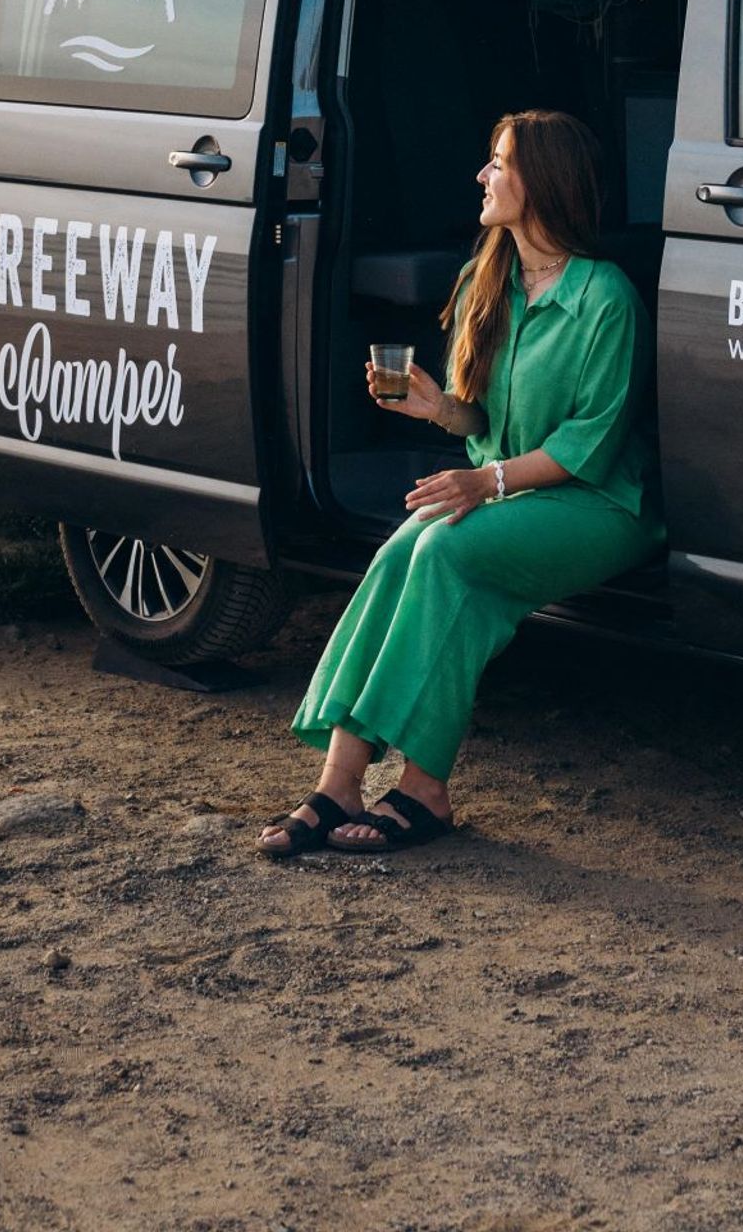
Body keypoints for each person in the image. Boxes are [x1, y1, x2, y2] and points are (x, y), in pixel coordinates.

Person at [258, 108, 658, 857]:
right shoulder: (489, 277)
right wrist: (438, 407)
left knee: (444, 551)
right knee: (402, 550)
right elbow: (487, 418)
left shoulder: (605, 298)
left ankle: (425, 788)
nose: (482, 175)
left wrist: (486, 481)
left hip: (599, 504)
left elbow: (589, 445)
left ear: (542, 181)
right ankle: (339, 781)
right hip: (512, 492)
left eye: (498, 163)